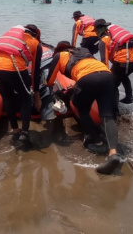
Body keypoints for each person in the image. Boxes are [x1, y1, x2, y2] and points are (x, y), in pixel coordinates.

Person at [45, 41, 124, 175]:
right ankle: (113, 153)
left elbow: (50, 82)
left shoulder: (59, 56)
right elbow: (92, 69)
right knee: (107, 116)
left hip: (87, 79)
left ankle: (98, 142)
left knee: (81, 109)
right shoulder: (85, 53)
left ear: (58, 50)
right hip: (107, 76)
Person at [0, 24, 43, 149]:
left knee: (7, 97)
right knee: (25, 98)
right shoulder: (35, 42)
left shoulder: (7, 38)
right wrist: (37, 95)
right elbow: (35, 71)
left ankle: (15, 129)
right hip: (16, 69)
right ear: (35, 34)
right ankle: (24, 132)